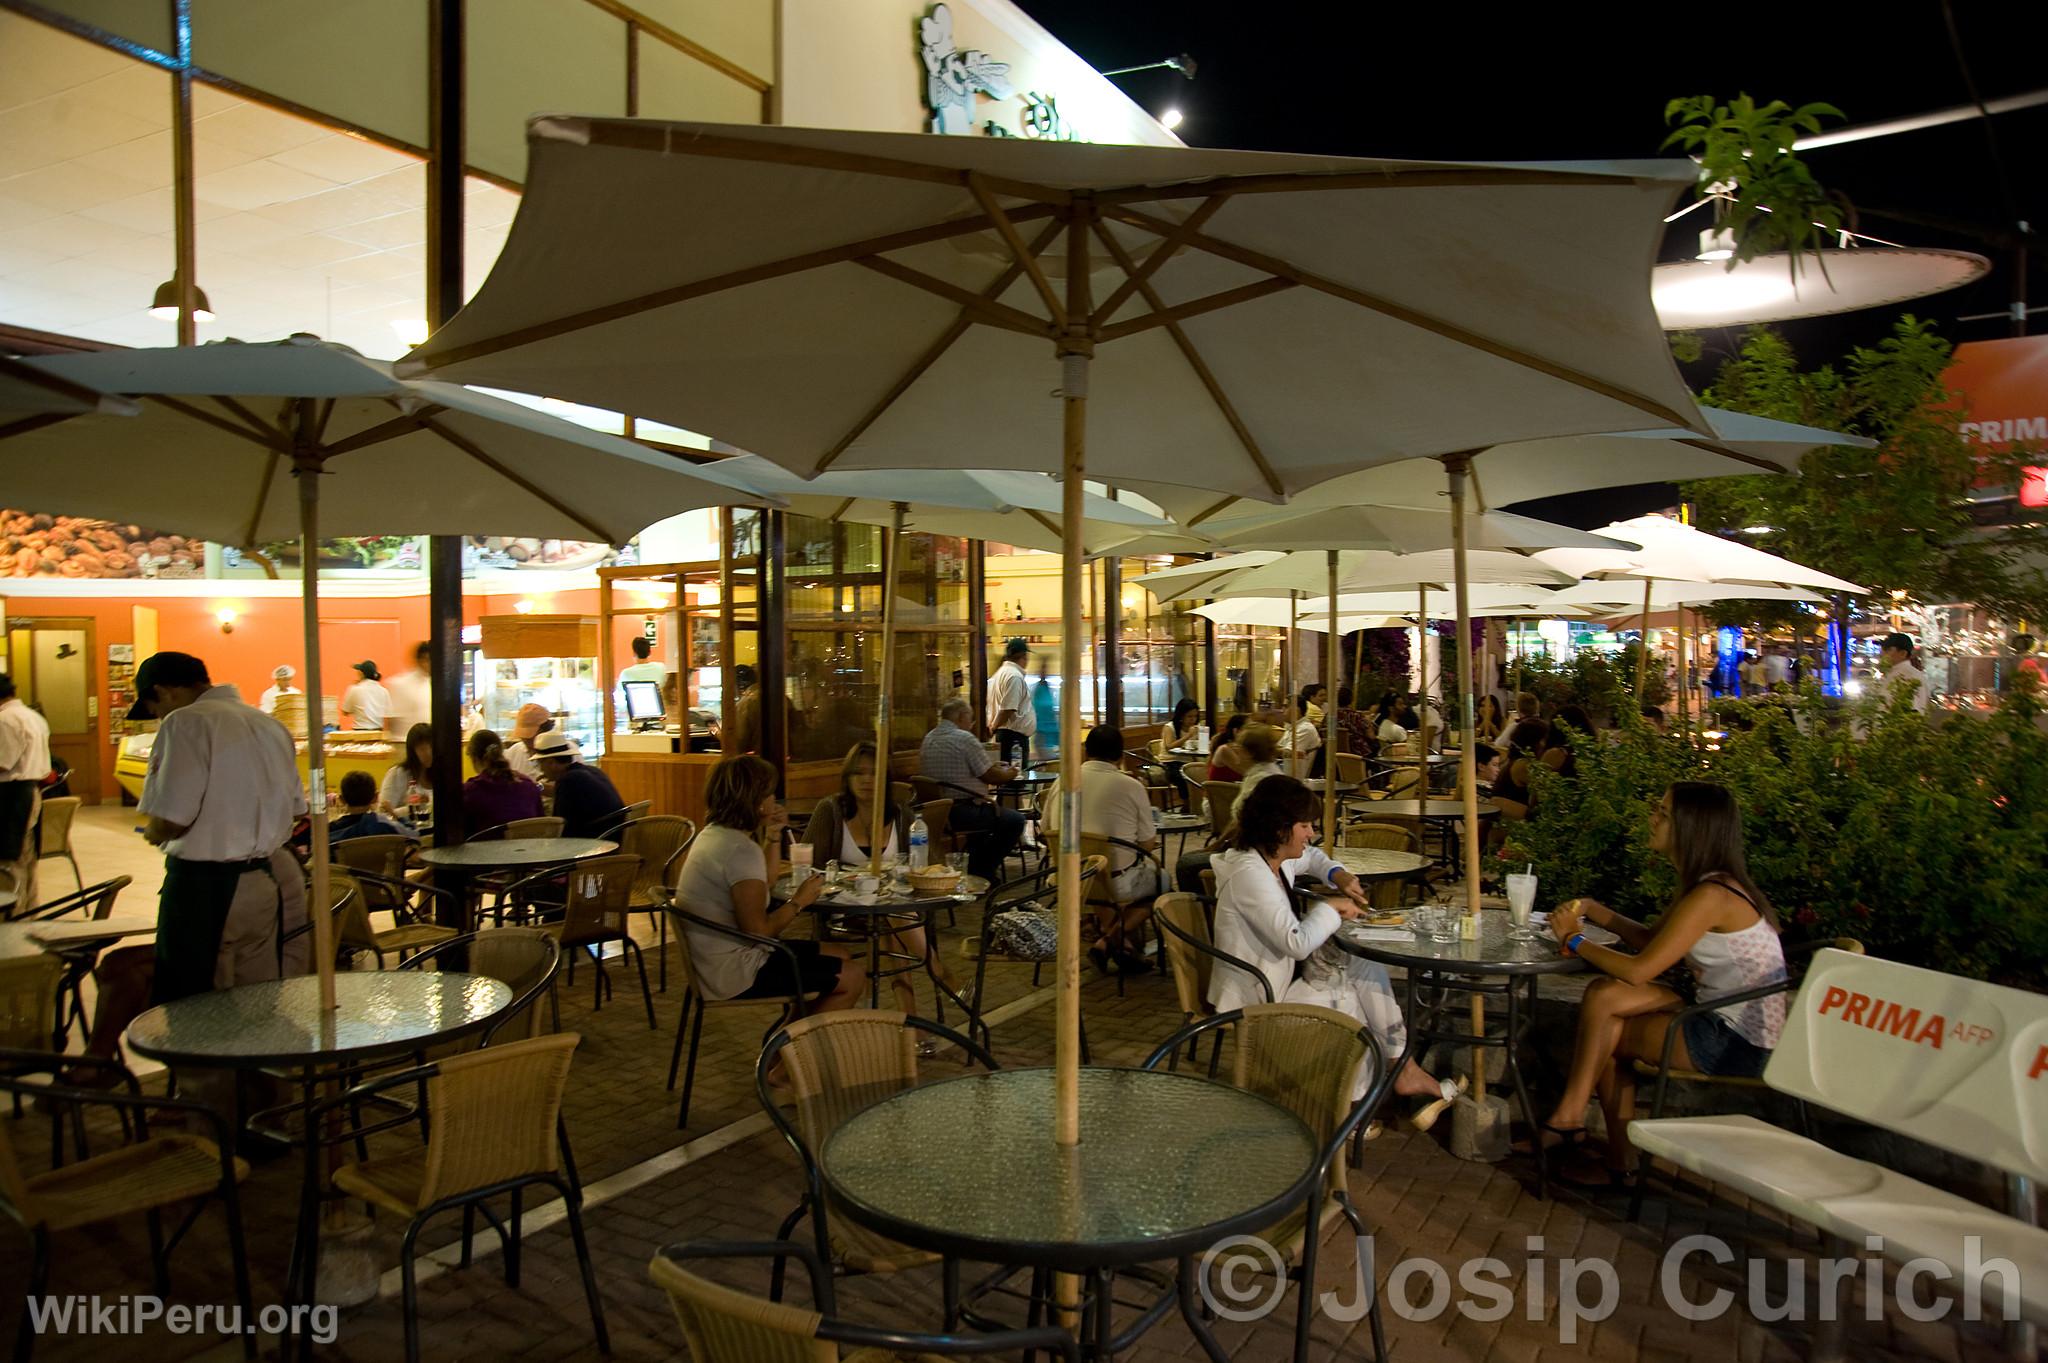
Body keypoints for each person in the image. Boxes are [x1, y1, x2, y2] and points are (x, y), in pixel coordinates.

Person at [1541, 781, 1787, 1186]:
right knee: (1604, 997)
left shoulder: (1712, 894)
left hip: (1736, 1041)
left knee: (1607, 1027)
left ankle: (1597, 1141)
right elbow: (1653, 943)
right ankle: (1578, 1125)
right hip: (1716, 1012)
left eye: (1664, 813)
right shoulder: (1710, 884)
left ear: (1692, 827)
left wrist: (1573, 939)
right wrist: (1593, 909)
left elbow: (1640, 970)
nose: (1652, 817)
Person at [1209, 775, 1457, 1112]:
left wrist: (1337, 875)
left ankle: (1403, 1068)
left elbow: (1312, 857)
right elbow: (1297, 943)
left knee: (1365, 965)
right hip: (1260, 995)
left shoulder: (1270, 857)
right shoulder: (1249, 874)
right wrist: (1330, 907)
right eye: (1306, 825)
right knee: (1349, 993)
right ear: (1280, 828)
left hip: (1279, 978)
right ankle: (1352, 1106)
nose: (1311, 833)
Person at [129, 651, 309, 1002]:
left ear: (164, 691)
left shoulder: (185, 722)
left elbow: (173, 817)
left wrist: (154, 832)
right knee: (255, 998)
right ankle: (253, 1058)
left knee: (194, 1002)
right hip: (261, 879)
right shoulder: (269, 724)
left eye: (154, 706)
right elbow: (295, 808)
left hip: (204, 887)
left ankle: (202, 1059)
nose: (157, 715)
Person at [672, 755, 864, 1022]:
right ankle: (785, 1058)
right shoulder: (739, 850)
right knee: (852, 977)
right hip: (734, 970)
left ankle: (785, 1043)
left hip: (711, 960)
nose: (775, 799)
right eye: (770, 793)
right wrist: (798, 903)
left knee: (839, 954)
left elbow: (765, 883)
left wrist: (773, 835)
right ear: (756, 802)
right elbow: (758, 931)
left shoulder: (715, 835)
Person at [804, 742, 960, 1016]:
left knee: (890, 923)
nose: (866, 780)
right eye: (858, 773)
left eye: (873, 773)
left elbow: (932, 862)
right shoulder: (830, 811)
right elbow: (809, 866)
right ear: (847, 777)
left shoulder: (900, 815)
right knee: (894, 919)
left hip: (892, 907)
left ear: (885, 779)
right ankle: (938, 972)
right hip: (844, 907)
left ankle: (909, 1021)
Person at [1042, 726, 1161, 974]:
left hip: (1066, 876)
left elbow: (1045, 829)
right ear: (1120, 755)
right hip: (1112, 880)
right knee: (1162, 883)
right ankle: (1111, 941)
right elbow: (1148, 842)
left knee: (1098, 873)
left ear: (1086, 752)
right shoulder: (1130, 785)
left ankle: (1117, 944)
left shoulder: (1063, 780)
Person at [918, 697, 1021, 881]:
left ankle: (975, 866)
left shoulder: (929, 737)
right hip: (963, 811)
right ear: (962, 717)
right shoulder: (964, 738)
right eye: (970, 719)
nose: (971, 724)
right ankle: (981, 870)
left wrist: (992, 766)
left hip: (936, 812)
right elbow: (991, 776)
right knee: (1015, 821)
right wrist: (1012, 773)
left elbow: (974, 768)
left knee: (989, 821)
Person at [0, 674, 53, 909]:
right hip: (30, 790)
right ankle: (30, 911)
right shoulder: (33, 716)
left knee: (10, 860)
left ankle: (14, 914)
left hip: (11, 794)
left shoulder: (6, 719)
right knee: (27, 857)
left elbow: (3, 761)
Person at [531, 729, 625, 839]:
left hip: (597, 844)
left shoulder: (568, 780)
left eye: (540, 764)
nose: (541, 770)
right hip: (615, 835)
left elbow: (561, 827)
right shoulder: (592, 771)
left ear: (551, 762)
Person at [462, 728, 544, 837]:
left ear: (474, 758)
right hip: (528, 851)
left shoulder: (469, 791)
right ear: (502, 752)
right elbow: (541, 824)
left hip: (486, 852)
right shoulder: (529, 786)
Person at [330, 770, 416, 843]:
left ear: (341, 799)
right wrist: (393, 813)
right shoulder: (383, 824)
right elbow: (413, 834)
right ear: (375, 797)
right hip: (382, 862)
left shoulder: (328, 831)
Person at [986, 637, 1033, 768]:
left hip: (1007, 736)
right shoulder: (1014, 677)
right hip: (1014, 740)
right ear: (1023, 656)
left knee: (1007, 780)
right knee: (1015, 782)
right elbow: (1009, 708)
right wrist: (993, 727)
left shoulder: (999, 674)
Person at [378, 722, 435, 825]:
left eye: (432, 747)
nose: (428, 753)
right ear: (413, 751)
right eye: (422, 749)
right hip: (404, 836)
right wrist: (414, 808)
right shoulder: (397, 774)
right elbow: (383, 814)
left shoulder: (442, 774)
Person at [1229, 724, 1285, 821]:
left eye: (1238, 748)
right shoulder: (1269, 772)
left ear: (1249, 753)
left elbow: (1244, 815)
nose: (1236, 752)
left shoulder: (1260, 780)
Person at [386, 641, 433, 734]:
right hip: (404, 740)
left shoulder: (435, 683)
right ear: (419, 660)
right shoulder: (400, 684)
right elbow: (392, 721)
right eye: (427, 659)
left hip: (429, 741)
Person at [1877, 631, 1928, 712]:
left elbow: (1912, 712)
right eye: (1882, 649)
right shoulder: (1892, 673)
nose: (1881, 654)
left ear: (1903, 653)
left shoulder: (1910, 676)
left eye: (1888, 650)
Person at [1279, 687, 1322, 777]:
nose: (1282, 710)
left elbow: (1289, 753)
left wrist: (1265, 748)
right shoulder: (1292, 727)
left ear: (1296, 710)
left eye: (1285, 707)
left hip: (1297, 775)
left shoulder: (1305, 729)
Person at [504, 702, 552, 779]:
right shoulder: (513, 752)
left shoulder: (565, 751)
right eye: (522, 735)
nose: (525, 739)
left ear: (544, 729)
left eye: (530, 735)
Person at [341, 659, 389, 731]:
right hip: (378, 732)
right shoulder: (384, 691)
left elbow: (345, 711)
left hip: (359, 732)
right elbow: (388, 713)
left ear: (362, 674)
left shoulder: (355, 689)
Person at [1029, 656, 1059, 760]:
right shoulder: (1038, 690)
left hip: (1049, 733)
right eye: (1043, 669)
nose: (1045, 672)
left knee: (1051, 760)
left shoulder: (1046, 687)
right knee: (1049, 760)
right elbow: (1041, 708)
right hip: (1042, 733)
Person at [1207, 713, 1250, 783]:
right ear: (1236, 731)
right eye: (1249, 729)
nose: (1253, 732)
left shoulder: (1244, 749)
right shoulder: (1224, 750)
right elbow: (1248, 772)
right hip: (1221, 792)